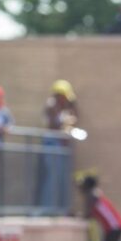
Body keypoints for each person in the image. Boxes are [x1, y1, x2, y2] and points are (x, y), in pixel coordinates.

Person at [37, 79, 78, 212]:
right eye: (64, 97)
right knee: (52, 178)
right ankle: (47, 208)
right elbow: (54, 125)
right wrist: (66, 123)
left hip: (59, 145)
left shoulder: (63, 107)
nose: (66, 100)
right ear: (59, 95)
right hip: (52, 144)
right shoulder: (52, 105)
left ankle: (57, 208)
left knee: (59, 177)